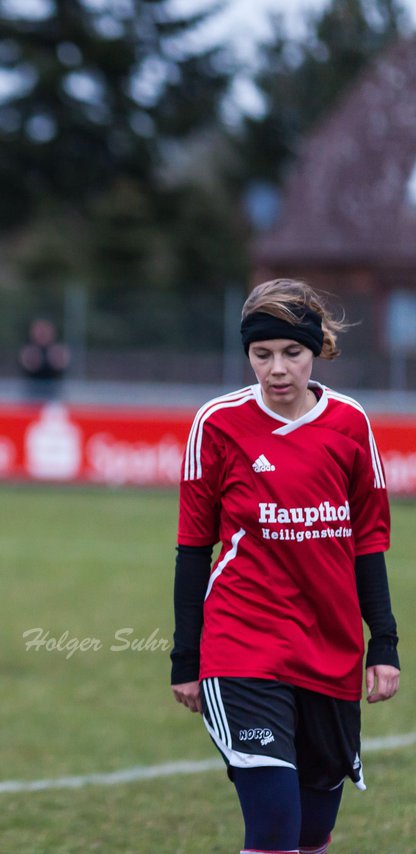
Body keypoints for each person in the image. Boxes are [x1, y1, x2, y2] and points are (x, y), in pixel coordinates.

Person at [170, 278, 400, 854]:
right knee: (273, 832)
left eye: (291, 352)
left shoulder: (350, 424)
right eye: (261, 354)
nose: (276, 369)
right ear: (247, 353)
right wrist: (186, 655)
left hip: (331, 649)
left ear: (316, 349)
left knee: (311, 833)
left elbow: (368, 540)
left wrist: (386, 643)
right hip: (243, 644)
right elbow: (194, 546)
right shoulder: (217, 424)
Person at [17, 317, 68, 400]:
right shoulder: (28, 350)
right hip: (30, 394)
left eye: (45, 330)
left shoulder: (57, 351)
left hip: (54, 394)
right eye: (39, 330)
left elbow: (61, 368)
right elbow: (27, 366)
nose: (42, 333)